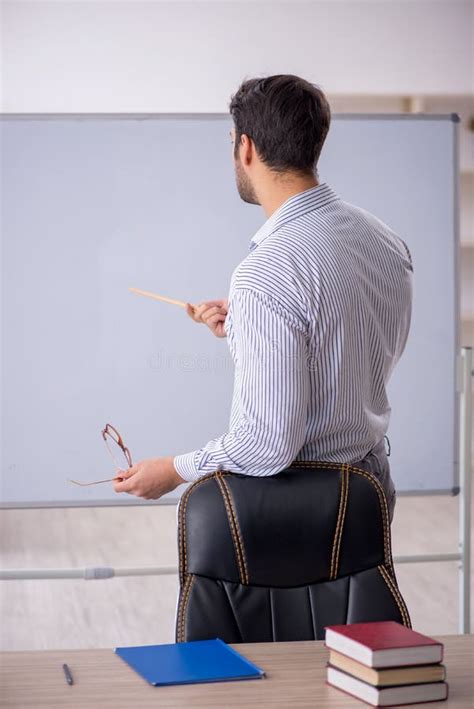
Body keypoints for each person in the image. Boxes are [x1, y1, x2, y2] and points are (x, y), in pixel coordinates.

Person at [113, 74, 413, 523]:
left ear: (247, 148)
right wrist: (248, 325)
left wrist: (173, 470)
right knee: (359, 597)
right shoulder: (383, 238)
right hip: (371, 489)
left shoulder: (266, 275)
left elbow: (265, 444)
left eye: (231, 141)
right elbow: (345, 339)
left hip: (305, 509)